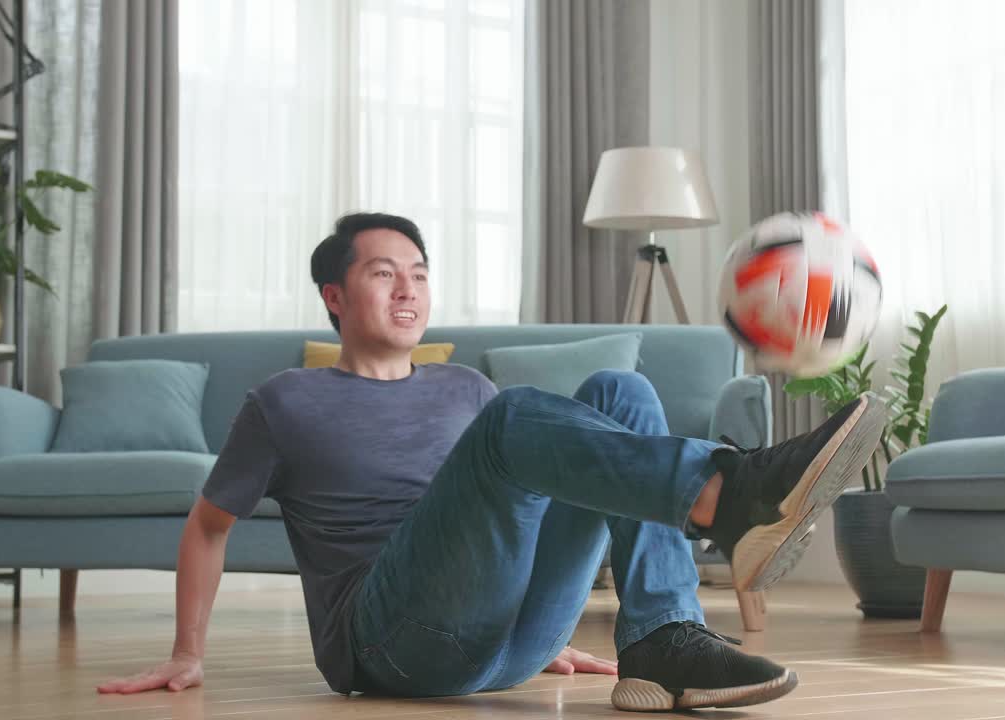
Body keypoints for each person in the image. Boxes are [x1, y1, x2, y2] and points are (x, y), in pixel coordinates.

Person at [98, 212, 884, 711]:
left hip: (511, 640)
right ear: (334, 297)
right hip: (390, 646)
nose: (407, 290)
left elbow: (507, 522)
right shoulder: (284, 401)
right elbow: (208, 526)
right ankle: (729, 492)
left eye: (418, 274)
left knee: (621, 391)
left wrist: (545, 616)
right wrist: (186, 653)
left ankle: (661, 639)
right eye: (382, 273)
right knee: (515, 419)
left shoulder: (465, 389)